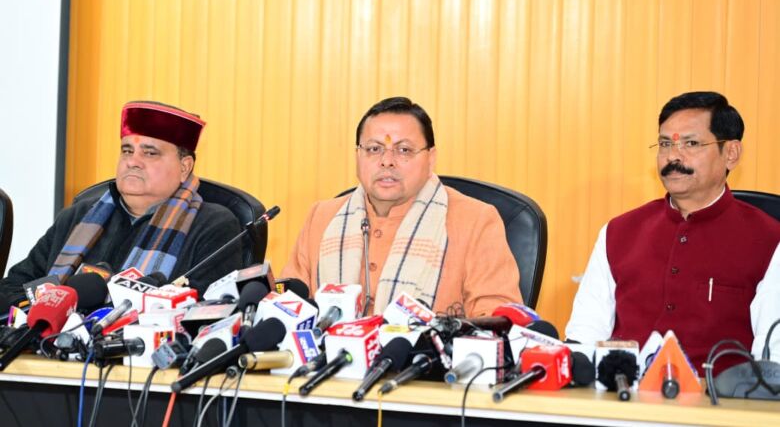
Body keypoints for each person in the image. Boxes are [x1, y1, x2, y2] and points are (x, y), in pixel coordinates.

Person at [565, 91, 780, 373]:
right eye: (665, 144)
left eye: (691, 143)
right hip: (622, 395)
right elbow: (584, 337)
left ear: (731, 153)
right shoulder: (618, 232)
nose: (673, 156)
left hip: (720, 397)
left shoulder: (769, 240)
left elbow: (773, 360)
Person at [281, 96, 522, 317]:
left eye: (404, 150)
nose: (387, 161)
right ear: (357, 156)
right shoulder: (322, 217)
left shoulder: (475, 221)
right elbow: (288, 309)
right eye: (374, 149)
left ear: (431, 158)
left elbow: (496, 322)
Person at [0, 101, 243, 304]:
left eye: (149, 153)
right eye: (127, 151)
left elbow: (207, 310)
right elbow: (10, 289)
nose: (132, 161)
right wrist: (49, 303)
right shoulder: (78, 216)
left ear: (184, 167)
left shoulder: (213, 225)